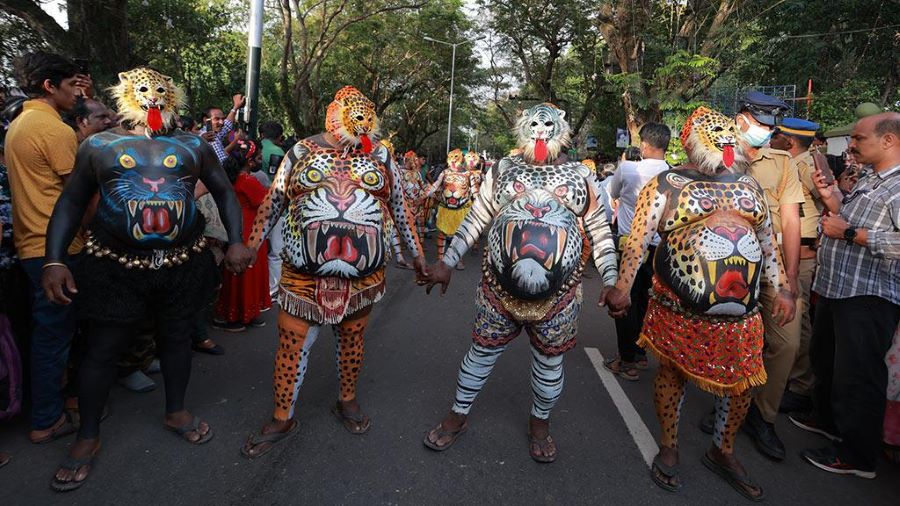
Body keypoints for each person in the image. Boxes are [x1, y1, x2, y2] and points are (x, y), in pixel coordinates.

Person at [40, 67, 253, 491]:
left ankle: (176, 411)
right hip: (115, 265)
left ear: (172, 96)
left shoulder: (193, 144)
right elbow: (71, 202)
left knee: (176, 339)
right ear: (125, 95)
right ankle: (88, 437)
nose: (152, 96)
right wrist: (53, 260)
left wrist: (236, 241)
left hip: (183, 261)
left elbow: (224, 191)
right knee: (102, 348)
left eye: (161, 90)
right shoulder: (100, 145)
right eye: (143, 90)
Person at [421, 103, 621, 463]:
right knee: (480, 354)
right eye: (534, 123)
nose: (541, 129)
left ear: (561, 130)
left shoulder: (580, 175)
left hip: (558, 299)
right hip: (497, 293)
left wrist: (611, 279)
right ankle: (457, 415)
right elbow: (477, 217)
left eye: (549, 124)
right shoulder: (502, 170)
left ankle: (539, 424)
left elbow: (600, 231)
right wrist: (447, 262)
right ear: (523, 129)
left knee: (549, 365)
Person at [613, 106, 794, 500]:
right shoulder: (664, 184)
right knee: (672, 375)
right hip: (678, 310)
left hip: (742, 315)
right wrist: (623, 288)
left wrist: (782, 289)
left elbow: (768, 243)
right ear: (689, 143)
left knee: (742, 383)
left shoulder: (750, 188)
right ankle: (670, 445)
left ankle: (722, 450)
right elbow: (638, 240)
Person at [240, 86, 426, 458]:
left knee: (352, 341)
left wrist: (418, 256)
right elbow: (273, 201)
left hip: (363, 276)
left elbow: (401, 208)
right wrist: (250, 246)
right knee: (292, 345)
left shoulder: (382, 156)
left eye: (365, 119)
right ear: (333, 114)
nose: (359, 127)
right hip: (302, 275)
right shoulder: (302, 151)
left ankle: (346, 399)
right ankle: (282, 416)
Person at [792, 112, 900, 479]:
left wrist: (851, 233)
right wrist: (831, 197)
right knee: (827, 361)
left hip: (869, 296)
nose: (850, 145)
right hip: (838, 288)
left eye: (858, 138)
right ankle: (826, 421)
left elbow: (880, 238)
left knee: (859, 376)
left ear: (888, 141)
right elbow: (850, 217)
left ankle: (858, 456)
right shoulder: (872, 178)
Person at [708, 91, 802, 462]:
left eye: (770, 126)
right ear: (743, 118)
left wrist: (790, 278)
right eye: (761, 124)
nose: (766, 131)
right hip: (725, 266)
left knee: (786, 343)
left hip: (772, 267)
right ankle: (724, 404)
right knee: (723, 339)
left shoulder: (781, 163)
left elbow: (791, 218)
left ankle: (762, 416)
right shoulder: (711, 154)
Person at [4, 52, 91, 445]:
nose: (79, 93)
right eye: (73, 85)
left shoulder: (18, 125)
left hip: (31, 246)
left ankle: (52, 409)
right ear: (49, 86)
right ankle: (47, 419)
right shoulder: (54, 129)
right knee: (54, 336)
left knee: (49, 333)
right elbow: (80, 196)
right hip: (57, 250)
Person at [769, 118, 829, 413]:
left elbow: (829, 200)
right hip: (784, 253)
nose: (772, 138)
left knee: (799, 323)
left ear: (789, 141)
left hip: (802, 256)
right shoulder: (790, 163)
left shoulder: (803, 165)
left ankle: (801, 385)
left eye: (777, 135)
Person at [603, 122, 671, 381]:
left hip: (631, 246)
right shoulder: (674, 175)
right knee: (646, 300)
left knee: (623, 300)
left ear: (644, 144)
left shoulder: (628, 169)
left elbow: (613, 193)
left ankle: (627, 360)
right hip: (658, 250)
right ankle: (641, 354)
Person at [214, 141, 271, 329]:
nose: (261, 159)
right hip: (249, 231)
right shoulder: (247, 181)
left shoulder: (231, 177)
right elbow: (268, 202)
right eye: (259, 157)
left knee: (240, 274)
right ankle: (237, 316)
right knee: (246, 274)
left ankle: (243, 313)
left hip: (238, 228)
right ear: (251, 161)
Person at [425, 149, 478, 269]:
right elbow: (435, 186)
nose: (454, 161)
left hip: (462, 209)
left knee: (459, 236)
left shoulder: (468, 174)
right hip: (445, 209)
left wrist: (479, 205)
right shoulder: (444, 173)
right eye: (451, 158)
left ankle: (458, 259)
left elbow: (475, 191)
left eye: (456, 158)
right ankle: (440, 260)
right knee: (442, 234)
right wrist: (423, 196)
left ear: (461, 159)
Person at [395, 150, 427, 270]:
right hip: (408, 202)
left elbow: (421, 184)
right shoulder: (400, 172)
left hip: (418, 202)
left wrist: (425, 193)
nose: (415, 162)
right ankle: (407, 245)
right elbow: (402, 186)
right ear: (407, 160)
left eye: (415, 160)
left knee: (420, 223)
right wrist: (413, 198)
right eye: (412, 160)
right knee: (408, 225)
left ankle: (420, 246)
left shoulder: (417, 173)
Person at [199, 95, 245, 163]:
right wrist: (235, 141)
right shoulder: (209, 137)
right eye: (217, 119)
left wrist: (235, 107)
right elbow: (222, 163)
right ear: (206, 120)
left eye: (223, 119)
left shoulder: (215, 133)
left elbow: (227, 124)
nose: (221, 122)